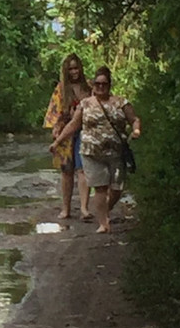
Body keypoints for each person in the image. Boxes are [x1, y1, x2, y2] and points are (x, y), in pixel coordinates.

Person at [50, 66, 141, 234]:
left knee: (116, 188)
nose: (100, 87)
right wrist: (57, 142)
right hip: (91, 152)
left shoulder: (121, 103)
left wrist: (136, 130)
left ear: (109, 85)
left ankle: (104, 211)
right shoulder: (85, 105)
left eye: (104, 84)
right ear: (93, 86)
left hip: (116, 152)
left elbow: (134, 119)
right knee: (99, 187)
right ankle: (103, 222)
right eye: (97, 84)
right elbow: (73, 125)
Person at [43, 53, 91, 221]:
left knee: (83, 169)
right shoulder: (61, 89)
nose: (74, 72)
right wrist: (56, 129)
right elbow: (54, 113)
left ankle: (84, 208)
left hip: (85, 132)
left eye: (76, 68)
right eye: (70, 69)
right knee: (66, 171)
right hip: (66, 132)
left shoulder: (88, 88)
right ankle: (66, 209)